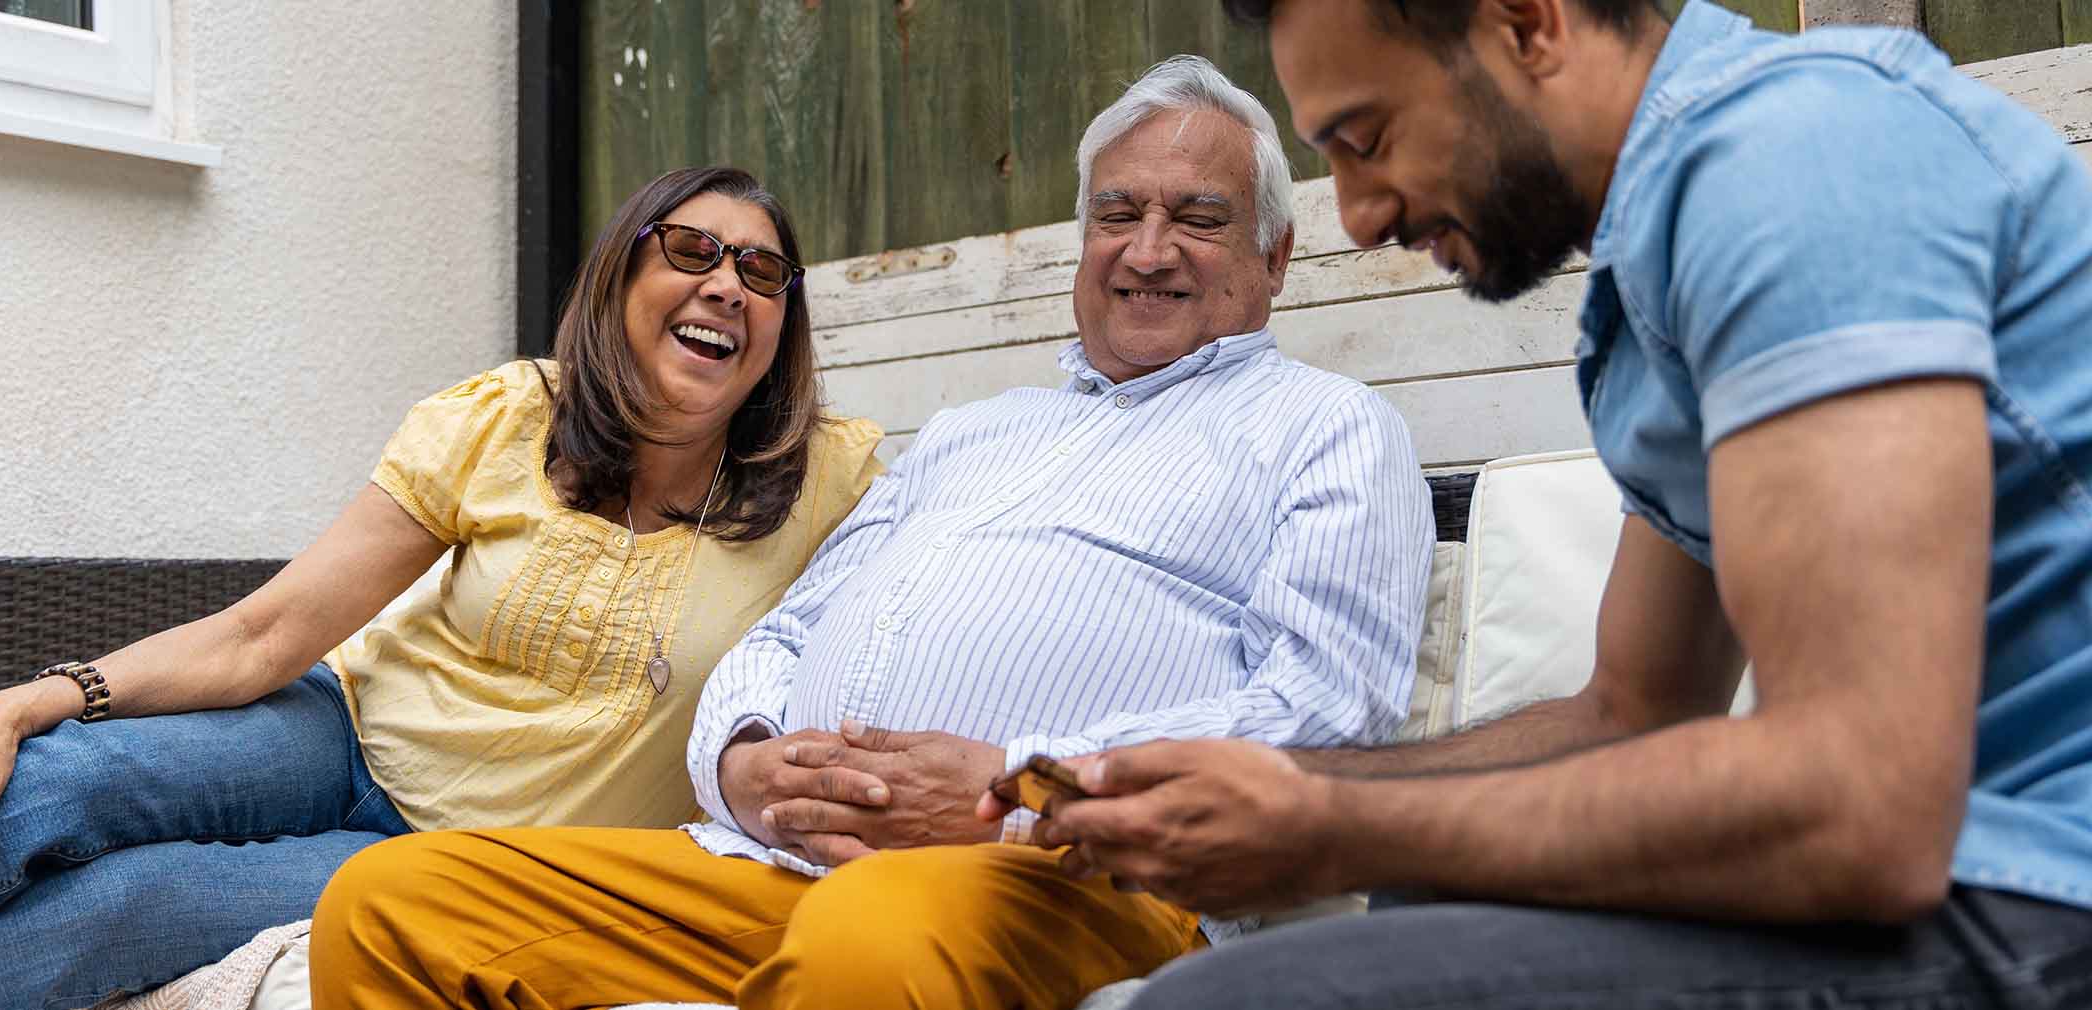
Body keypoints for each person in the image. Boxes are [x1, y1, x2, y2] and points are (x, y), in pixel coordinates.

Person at [1017, 1, 2092, 1007]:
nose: (1358, 216)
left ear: (1528, 24)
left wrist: (1330, 829)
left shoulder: (1792, 160)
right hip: (2016, 871)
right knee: (1416, 906)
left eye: (1365, 137)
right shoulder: (1663, 269)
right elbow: (1629, 712)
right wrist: (1238, 784)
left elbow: (1863, 807)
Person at [307, 56, 1434, 1010]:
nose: (1148, 248)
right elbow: (789, 628)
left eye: (1198, 218)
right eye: (1117, 214)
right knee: (393, 902)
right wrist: (743, 761)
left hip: (1070, 879)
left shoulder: (1329, 428)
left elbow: (1330, 711)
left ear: (1276, 260)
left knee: (867, 934)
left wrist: (1021, 784)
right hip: (774, 858)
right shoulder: (966, 433)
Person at [0, 166, 884, 1009]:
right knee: (57, 783)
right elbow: (266, 631)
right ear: (619, 280)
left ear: (780, 328)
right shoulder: (511, 414)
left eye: (762, 271)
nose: (726, 284)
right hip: (339, 727)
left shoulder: (834, 481)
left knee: (121, 905)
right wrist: (24, 699)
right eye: (692, 250)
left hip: (453, 858)